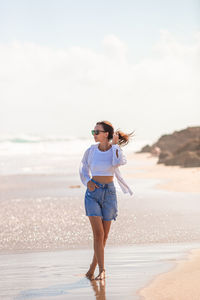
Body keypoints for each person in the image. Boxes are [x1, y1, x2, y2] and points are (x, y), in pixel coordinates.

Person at [79, 120, 134, 281]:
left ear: (106, 134)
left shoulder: (115, 151)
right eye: (93, 132)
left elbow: (119, 162)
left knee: (104, 237)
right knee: (98, 234)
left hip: (109, 194)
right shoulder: (91, 150)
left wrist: (116, 146)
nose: (94, 134)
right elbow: (83, 167)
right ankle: (102, 270)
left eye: (97, 132)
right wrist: (87, 181)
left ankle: (91, 268)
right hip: (93, 192)